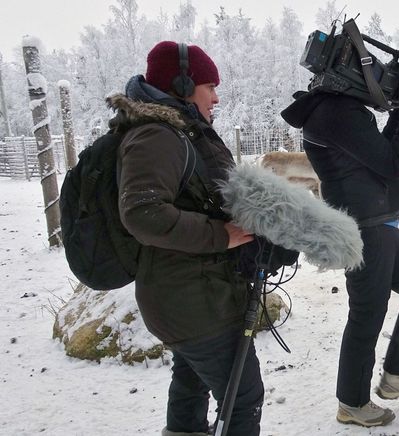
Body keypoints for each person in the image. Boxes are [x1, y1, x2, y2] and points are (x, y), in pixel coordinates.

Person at [115, 41, 261, 436]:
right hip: (191, 298)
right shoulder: (158, 136)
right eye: (209, 86)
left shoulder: (181, 132)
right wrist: (221, 235)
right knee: (243, 397)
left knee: (191, 381)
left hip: (191, 293)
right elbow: (142, 213)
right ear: (181, 84)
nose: (216, 97)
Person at [281, 76, 399, 427]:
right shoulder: (335, 113)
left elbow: (380, 152)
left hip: (377, 222)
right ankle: (352, 403)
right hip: (365, 229)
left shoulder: (340, 110)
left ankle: (397, 375)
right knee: (367, 313)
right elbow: (392, 162)